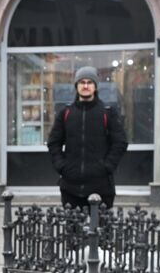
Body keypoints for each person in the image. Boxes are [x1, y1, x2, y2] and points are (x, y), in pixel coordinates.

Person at [47, 66, 128, 210]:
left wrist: (107, 166)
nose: (85, 86)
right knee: (72, 231)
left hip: (101, 188)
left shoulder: (107, 113)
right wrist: (62, 166)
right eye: (82, 82)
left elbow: (120, 142)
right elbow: (53, 143)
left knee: (101, 231)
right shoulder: (65, 113)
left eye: (89, 82)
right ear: (76, 86)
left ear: (95, 86)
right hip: (70, 188)